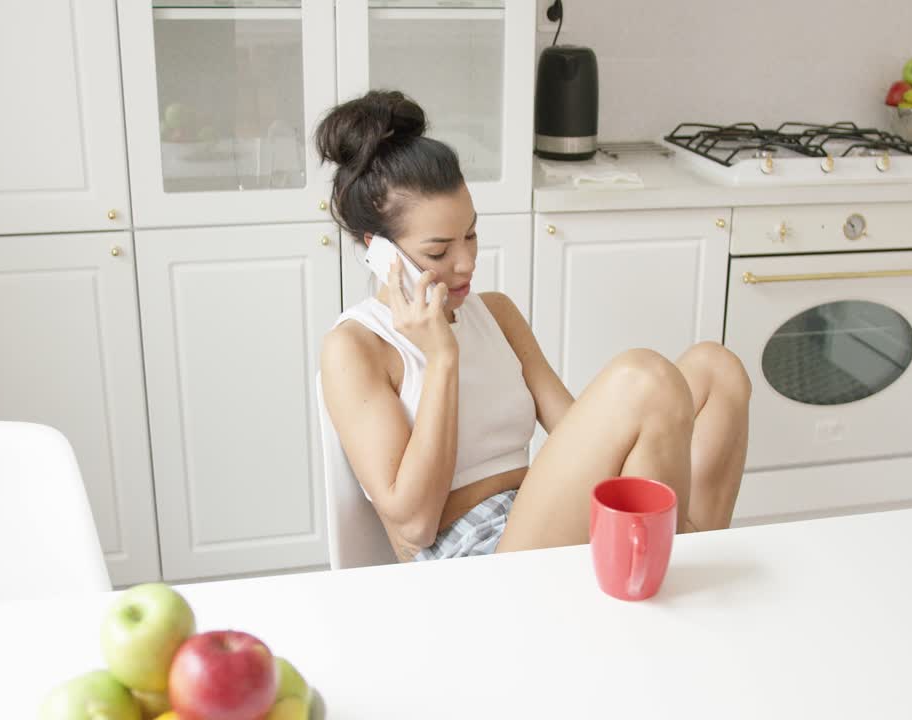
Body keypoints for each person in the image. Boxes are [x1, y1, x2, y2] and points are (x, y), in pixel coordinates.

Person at [318, 90, 751, 563]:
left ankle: (662, 562)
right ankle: (667, 563)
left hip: (540, 517)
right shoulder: (357, 346)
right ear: (379, 251)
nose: (465, 263)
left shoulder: (497, 314)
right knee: (644, 378)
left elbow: (576, 431)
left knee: (717, 367)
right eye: (438, 252)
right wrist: (442, 357)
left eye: (472, 234)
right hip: (474, 560)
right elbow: (415, 526)